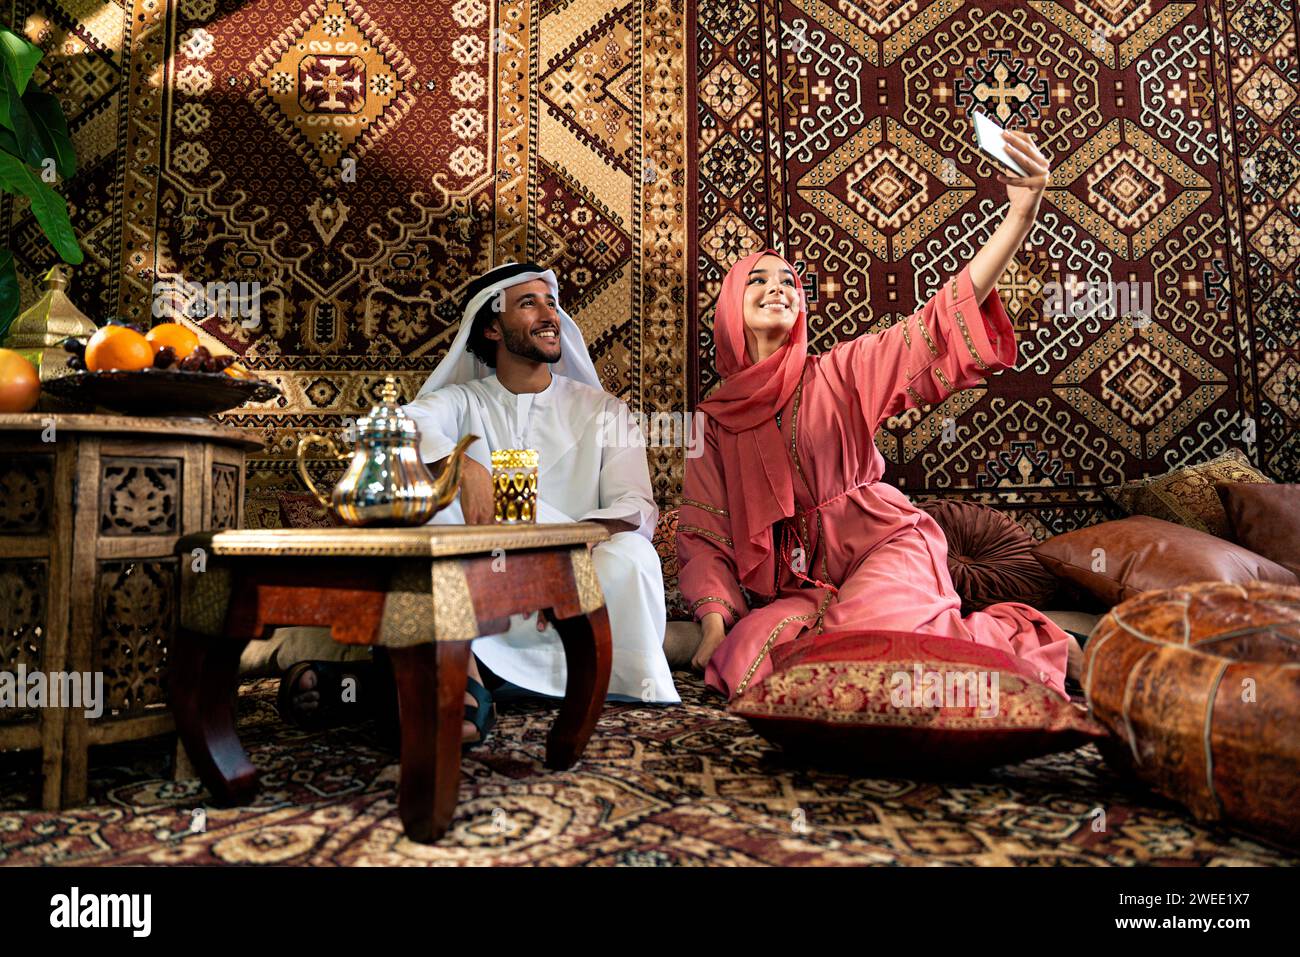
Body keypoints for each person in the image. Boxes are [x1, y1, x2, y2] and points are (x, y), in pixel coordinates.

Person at [677, 129, 1083, 700]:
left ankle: (1023, 635)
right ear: (728, 313)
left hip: (887, 549)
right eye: (758, 281)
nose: (779, 288)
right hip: (809, 586)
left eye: (789, 280)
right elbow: (705, 533)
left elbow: (935, 326)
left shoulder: (840, 372)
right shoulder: (713, 422)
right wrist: (716, 624)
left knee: (870, 643)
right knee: (748, 655)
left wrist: (1020, 215)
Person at [402, 262, 679, 742]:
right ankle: (471, 677)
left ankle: (459, 682)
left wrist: (566, 550)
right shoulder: (463, 402)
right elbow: (402, 424)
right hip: (489, 568)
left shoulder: (604, 410)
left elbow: (633, 502)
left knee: (633, 557)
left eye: (551, 303)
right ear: (491, 326)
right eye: (528, 303)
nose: (549, 314)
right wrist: (464, 467)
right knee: (424, 497)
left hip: (581, 566)